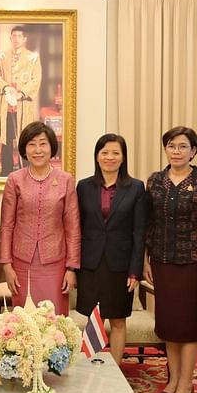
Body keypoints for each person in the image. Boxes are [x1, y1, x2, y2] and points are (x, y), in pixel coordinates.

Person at [144, 126, 197, 393]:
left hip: (191, 261)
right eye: (172, 146)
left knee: (188, 325)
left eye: (183, 146)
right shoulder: (156, 181)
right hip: (161, 259)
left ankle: (186, 382)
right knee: (169, 325)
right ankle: (172, 380)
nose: (177, 151)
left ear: (193, 150)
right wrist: (147, 258)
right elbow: (150, 222)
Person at [76, 134, 146, 362]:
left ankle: (116, 371)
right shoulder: (84, 187)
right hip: (91, 263)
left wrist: (135, 270)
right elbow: (77, 228)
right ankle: (89, 365)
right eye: (105, 152)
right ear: (97, 156)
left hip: (120, 265)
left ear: (123, 157)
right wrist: (74, 266)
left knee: (117, 319)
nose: (110, 157)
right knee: (93, 317)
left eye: (116, 153)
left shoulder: (135, 188)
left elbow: (139, 232)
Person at [0, 121, 81, 316]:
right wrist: (7, 265)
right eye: (32, 144)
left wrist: (72, 268)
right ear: (24, 149)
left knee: (53, 319)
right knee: (24, 321)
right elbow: (7, 225)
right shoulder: (14, 179)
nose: (38, 150)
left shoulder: (65, 180)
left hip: (55, 263)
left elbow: (73, 227)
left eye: (43, 143)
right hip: (21, 262)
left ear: (51, 147)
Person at [0, 25, 42, 176]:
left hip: (23, 104)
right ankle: (6, 169)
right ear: (10, 38)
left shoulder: (32, 58)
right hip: (7, 104)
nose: (16, 39)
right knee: (6, 138)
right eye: (14, 36)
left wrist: (22, 94)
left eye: (20, 36)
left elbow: (36, 79)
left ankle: (26, 169)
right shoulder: (3, 56)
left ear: (24, 38)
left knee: (25, 136)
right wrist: (6, 87)